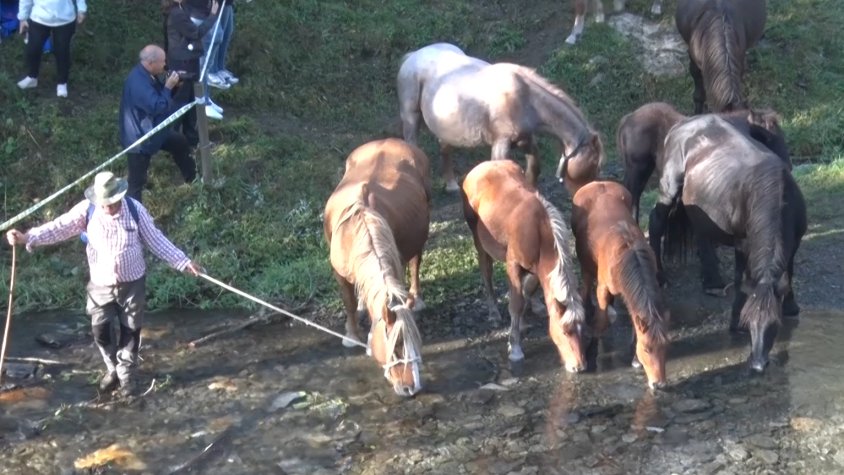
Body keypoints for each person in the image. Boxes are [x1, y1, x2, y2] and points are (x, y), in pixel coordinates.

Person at [5, 171, 202, 397]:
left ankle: (127, 375)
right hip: (100, 285)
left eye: (112, 203)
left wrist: (183, 262)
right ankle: (112, 368)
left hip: (132, 283)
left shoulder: (135, 210)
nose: (108, 208)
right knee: (100, 330)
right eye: (103, 204)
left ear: (119, 196)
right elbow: (59, 227)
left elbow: (156, 240)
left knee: (130, 331)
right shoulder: (86, 211)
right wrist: (28, 237)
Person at [120, 44, 197, 202]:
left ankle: (194, 181)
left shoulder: (148, 75)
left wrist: (173, 88)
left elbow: (160, 96)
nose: (165, 65)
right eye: (162, 62)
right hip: (140, 139)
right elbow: (158, 106)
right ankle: (132, 218)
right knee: (136, 182)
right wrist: (168, 87)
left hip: (154, 130)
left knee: (180, 143)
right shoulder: (138, 83)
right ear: (150, 63)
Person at [163, 0, 222, 137]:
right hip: (183, 63)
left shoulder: (180, 8)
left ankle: (190, 137)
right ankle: (174, 137)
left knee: (191, 100)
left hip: (188, 59)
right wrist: (213, 15)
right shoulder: (177, 13)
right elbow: (195, 32)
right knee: (181, 100)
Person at [16, 0, 87, 97]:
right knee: (33, 48)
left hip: (65, 19)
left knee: (62, 51)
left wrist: (81, 10)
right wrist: (23, 18)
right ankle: (32, 77)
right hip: (39, 18)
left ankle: (62, 83)